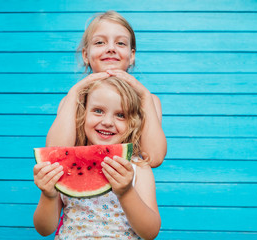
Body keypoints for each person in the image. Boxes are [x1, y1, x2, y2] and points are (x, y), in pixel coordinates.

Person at [33, 76, 161, 239]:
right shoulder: (65, 166)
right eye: (98, 111)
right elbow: (44, 229)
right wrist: (48, 195)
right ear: (82, 114)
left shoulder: (138, 167)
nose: (107, 122)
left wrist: (126, 192)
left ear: (132, 124)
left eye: (120, 115)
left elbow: (150, 232)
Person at [46, 10, 167, 168]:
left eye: (120, 43)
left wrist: (144, 95)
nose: (111, 48)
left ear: (131, 56)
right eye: (100, 42)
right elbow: (56, 154)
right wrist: (74, 93)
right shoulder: (72, 99)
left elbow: (154, 158)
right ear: (85, 55)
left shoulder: (148, 100)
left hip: (130, 189)